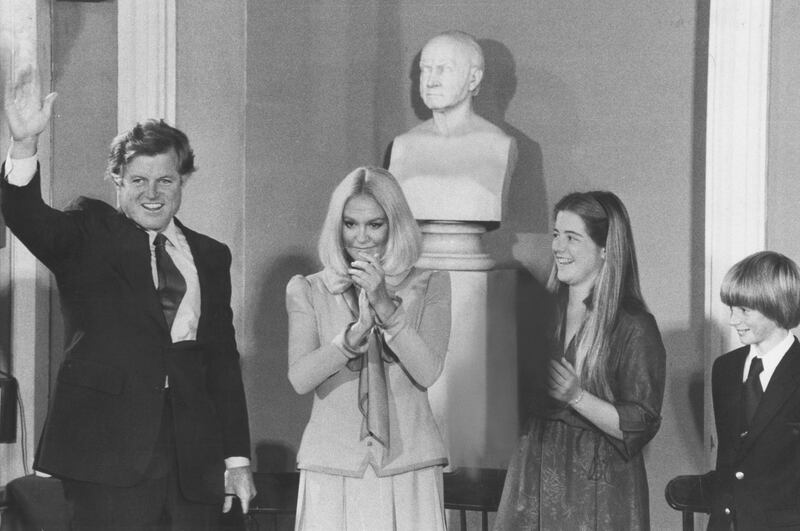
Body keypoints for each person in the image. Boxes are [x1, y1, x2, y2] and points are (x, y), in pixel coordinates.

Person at [1, 67, 256, 529]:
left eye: (166, 181)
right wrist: (23, 146)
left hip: (193, 457)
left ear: (183, 182)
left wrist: (236, 459)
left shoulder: (211, 256)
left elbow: (221, 360)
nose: (152, 194)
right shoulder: (88, 233)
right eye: (138, 181)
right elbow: (28, 216)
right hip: (105, 452)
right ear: (117, 180)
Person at [286, 166, 451, 530]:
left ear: (395, 225)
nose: (361, 237)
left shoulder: (430, 284)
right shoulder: (309, 289)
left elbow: (428, 371)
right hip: (332, 463)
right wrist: (348, 339)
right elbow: (300, 378)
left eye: (375, 224)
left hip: (409, 463)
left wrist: (386, 308)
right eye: (350, 224)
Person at [494, 191, 666, 530]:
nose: (558, 247)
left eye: (572, 237)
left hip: (597, 488)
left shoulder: (632, 325)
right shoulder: (540, 312)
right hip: (530, 477)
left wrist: (577, 396)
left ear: (605, 249)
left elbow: (641, 422)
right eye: (556, 235)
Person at [705, 251, 800, 530]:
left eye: (744, 310)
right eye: (731, 309)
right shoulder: (724, 368)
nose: (733, 321)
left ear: (777, 307)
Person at [388, 30, 516, 222]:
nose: (431, 81)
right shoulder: (403, 146)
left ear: (473, 79)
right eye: (425, 69)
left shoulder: (498, 146)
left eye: (444, 69)